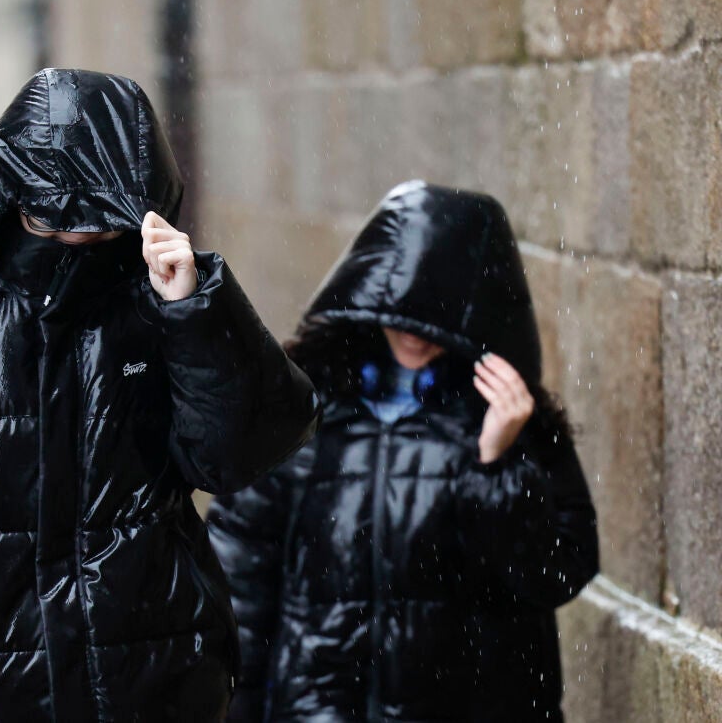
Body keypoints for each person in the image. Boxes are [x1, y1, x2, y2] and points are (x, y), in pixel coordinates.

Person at [0, 68, 322, 721]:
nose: (75, 236)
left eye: (95, 216)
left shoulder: (165, 308)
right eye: (52, 213)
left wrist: (199, 311)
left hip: (156, 673)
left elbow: (241, 453)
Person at [207, 181, 600, 722]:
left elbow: (555, 574)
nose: (417, 337)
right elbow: (241, 587)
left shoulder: (508, 420)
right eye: (405, 313)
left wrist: (496, 466)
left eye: (436, 320)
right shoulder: (304, 412)